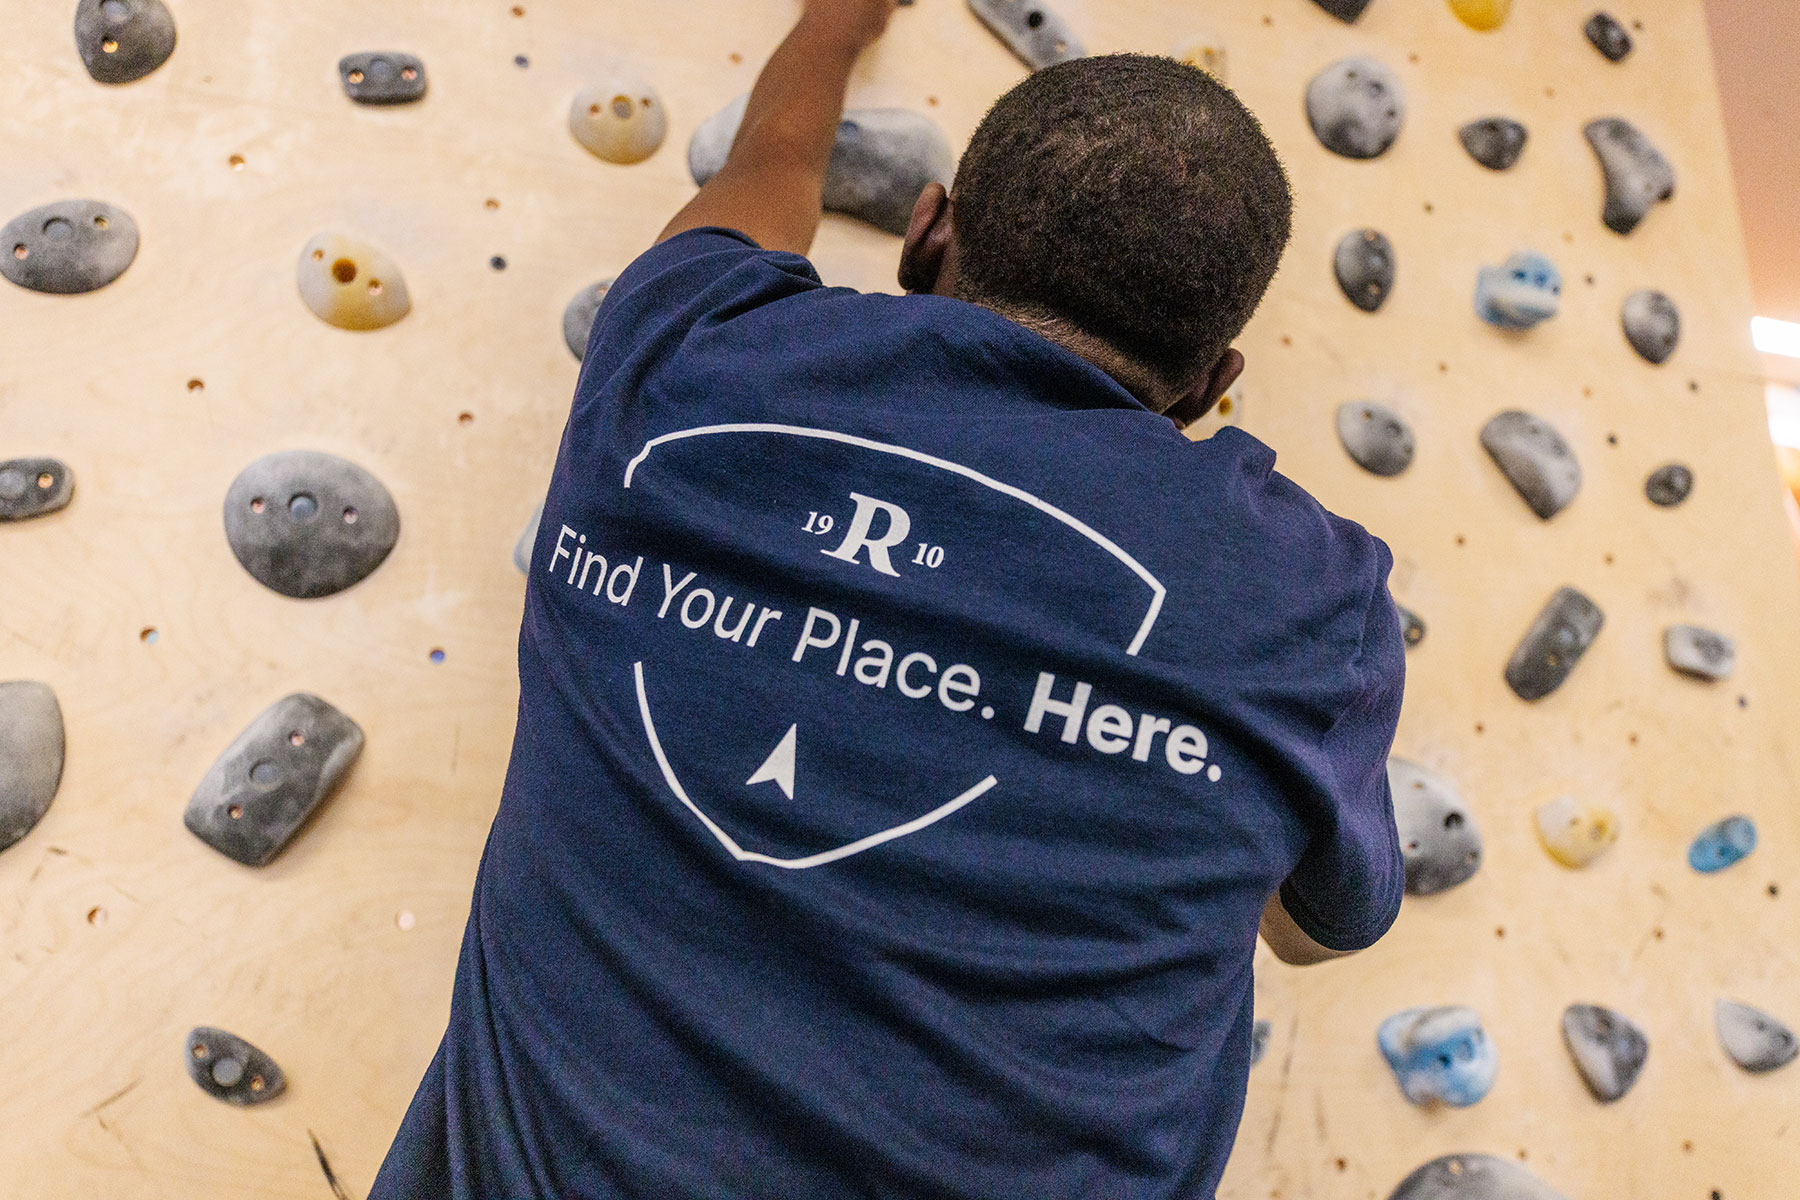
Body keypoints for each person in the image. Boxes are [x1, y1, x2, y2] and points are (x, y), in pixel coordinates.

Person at [371, 2, 1405, 1196]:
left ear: (924, 235)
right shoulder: (1305, 597)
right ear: (1213, 384)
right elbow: (1311, 928)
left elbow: (769, 170)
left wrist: (832, 28)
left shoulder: (679, 360)